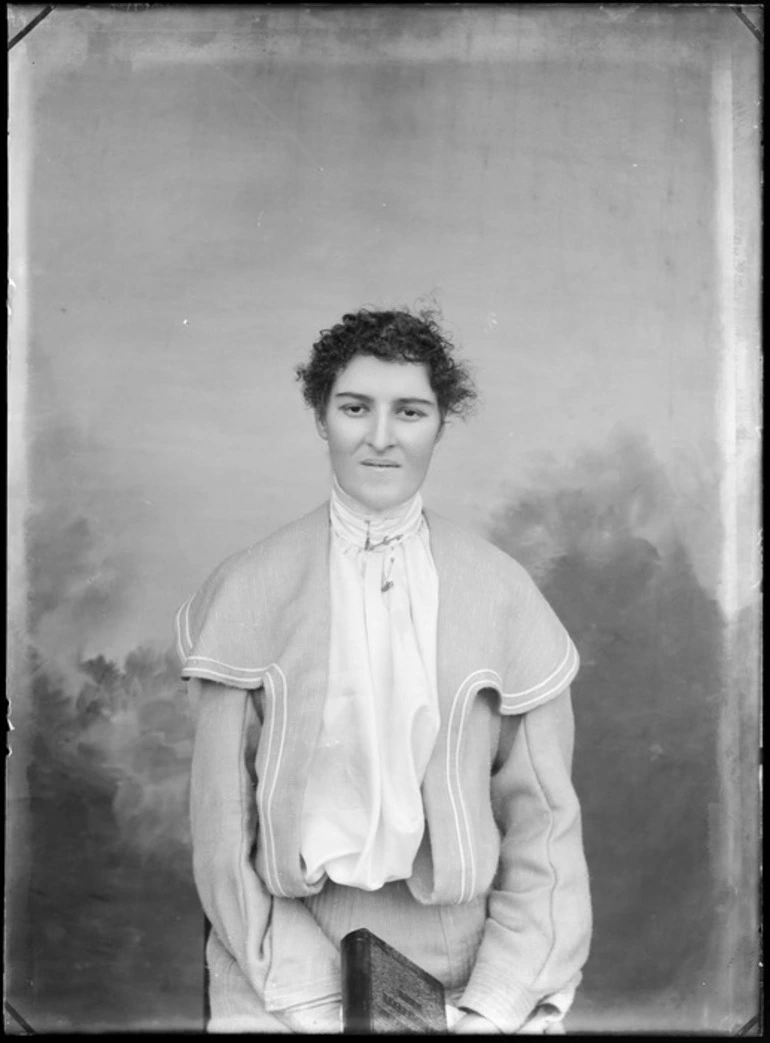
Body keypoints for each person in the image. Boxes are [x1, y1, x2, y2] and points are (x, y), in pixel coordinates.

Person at [175, 308, 592, 1034]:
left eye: (409, 411)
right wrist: (312, 1001)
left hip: (469, 950)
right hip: (282, 944)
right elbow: (221, 837)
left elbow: (544, 836)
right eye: (355, 407)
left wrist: (492, 1006)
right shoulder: (248, 589)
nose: (380, 437)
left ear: (440, 424)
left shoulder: (502, 593)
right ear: (321, 417)